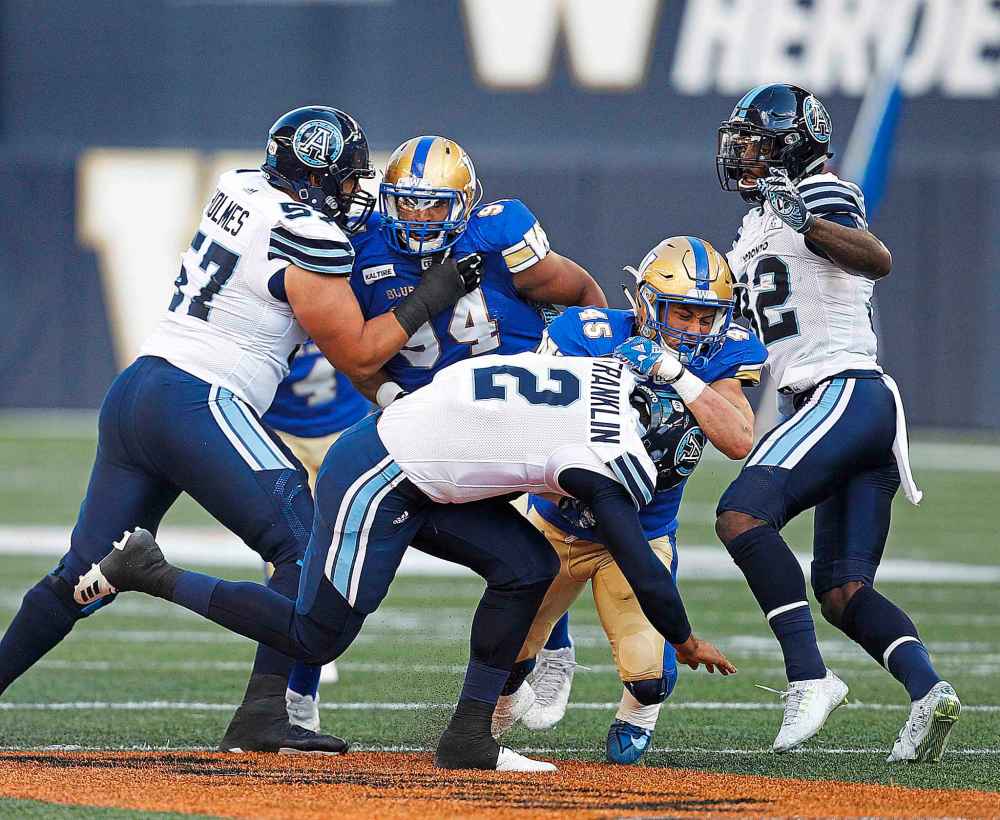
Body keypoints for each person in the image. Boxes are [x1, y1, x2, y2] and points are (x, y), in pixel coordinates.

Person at [0, 105, 482, 753]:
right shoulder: (311, 236)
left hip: (139, 389)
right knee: (308, 550)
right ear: (315, 180)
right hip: (198, 399)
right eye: (345, 179)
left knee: (80, 573)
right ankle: (263, 711)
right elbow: (359, 354)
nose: (353, 192)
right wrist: (436, 290)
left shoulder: (240, 185)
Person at [75, 351, 736, 771]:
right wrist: (684, 638)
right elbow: (643, 567)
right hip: (384, 472)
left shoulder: (613, 375)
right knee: (317, 633)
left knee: (527, 566)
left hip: (433, 464)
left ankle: (468, 738)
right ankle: (149, 571)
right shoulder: (607, 456)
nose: (653, 481)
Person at [713, 83, 959, 761]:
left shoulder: (819, 194)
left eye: (756, 140)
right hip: (844, 409)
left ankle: (809, 678)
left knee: (741, 514)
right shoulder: (761, 219)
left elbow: (875, 256)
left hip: (843, 392)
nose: (743, 153)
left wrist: (804, 220)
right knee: (843, 591)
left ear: (793, 143)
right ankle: (929, 692)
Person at [348, 134, 608, 710]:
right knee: (514, 551)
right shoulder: (361, 247)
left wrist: (582, 375)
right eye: (406, 202)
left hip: (514, 415)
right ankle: (531, 662)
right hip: (432, 429)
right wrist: (390, 396)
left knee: (579, 526)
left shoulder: (498, 236)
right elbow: (355, 352)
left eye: (435, 204)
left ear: (464, 204)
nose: (418, 218)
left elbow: (585, 294)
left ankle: (565, 658)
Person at [492, 236, 766, 764]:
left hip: (642, 530)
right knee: (505, 652)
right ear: (644, 303)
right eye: (682, 313)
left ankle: (637, 711)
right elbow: (533, 420)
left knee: (651, 677)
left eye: (707, 318)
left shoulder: (721, 355)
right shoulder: (587, 334)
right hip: (555, 521)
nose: (694, 329)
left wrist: (676, 376)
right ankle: (506, 696)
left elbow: (737, 440)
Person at [263, 346, 372, 696]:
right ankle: (302, 636)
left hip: (345, 425)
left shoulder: (338, 294)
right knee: (289, 541)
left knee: (351, 536)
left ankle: (323, 628)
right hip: (282, 431)